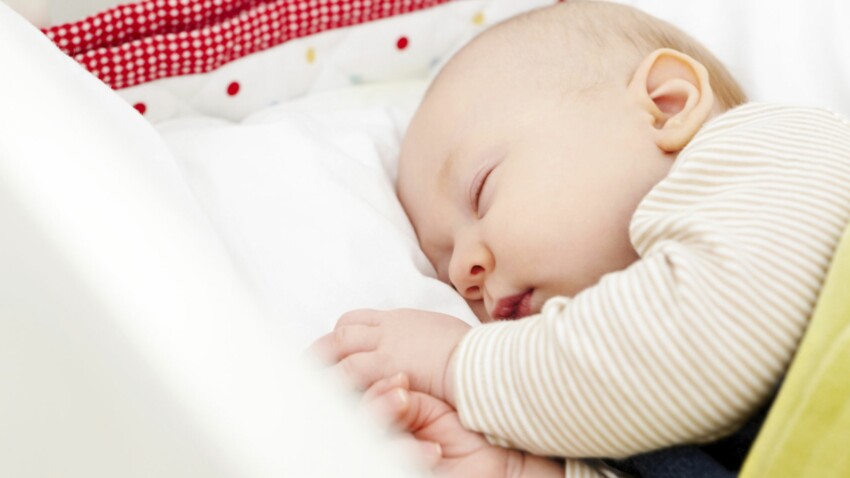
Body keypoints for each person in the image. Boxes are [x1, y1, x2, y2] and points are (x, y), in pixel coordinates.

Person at [310, 1, 850, 476]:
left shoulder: (772, 153)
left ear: (666, 105)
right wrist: (524, 468)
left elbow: (702, 349)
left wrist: (457, 363)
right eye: (444, 261)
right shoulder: (617, 402)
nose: (461, 275)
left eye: (481, 191)